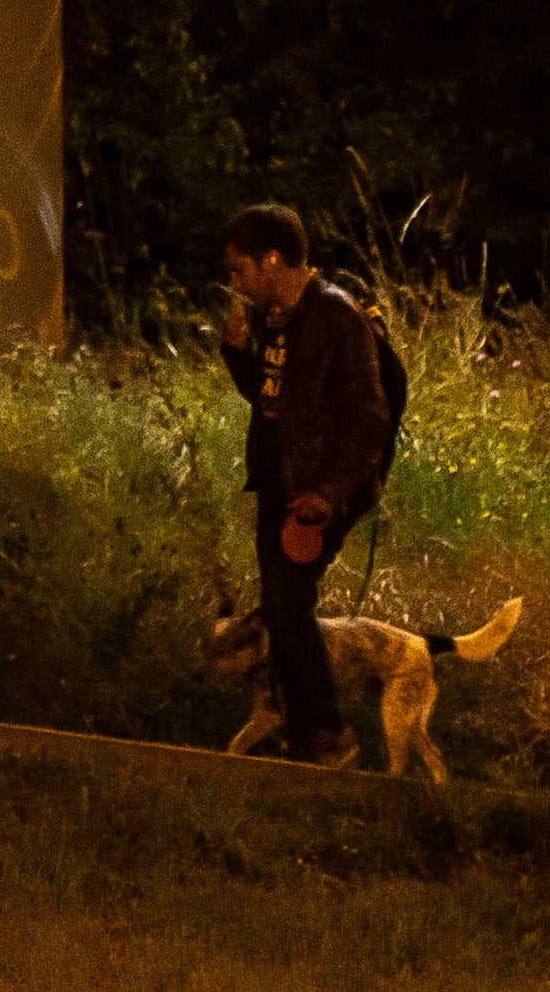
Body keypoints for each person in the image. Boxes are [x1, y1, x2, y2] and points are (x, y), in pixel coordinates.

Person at [216, 203, 396, 770]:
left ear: (274, 259)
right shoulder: (274, 315)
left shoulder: (336, 317)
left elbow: (369, 417)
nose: (234, 280)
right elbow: (272, 400)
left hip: (317, 492)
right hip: (277, 483)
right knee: (278, 607)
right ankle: (306, 738)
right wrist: (237, 353)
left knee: (288, 605)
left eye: (240, 267)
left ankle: (328, 733)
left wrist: (329, 494)